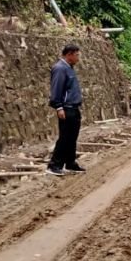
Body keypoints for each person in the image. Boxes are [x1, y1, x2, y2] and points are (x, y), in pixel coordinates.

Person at [47, 43, 85, 176]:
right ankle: (54, 165)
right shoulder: (60, 69)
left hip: (74, 108)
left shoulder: (69, 68)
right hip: (66, 108)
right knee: (64, 137)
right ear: (69, 55)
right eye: (77, 55)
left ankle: (70, 162)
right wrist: (59, 107)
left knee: (72, 137)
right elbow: (56, 89)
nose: (78, 58)